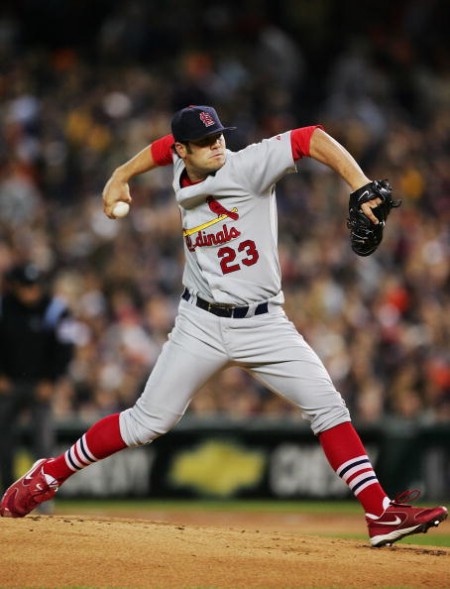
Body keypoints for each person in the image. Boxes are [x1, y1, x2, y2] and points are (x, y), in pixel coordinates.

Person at [1, 105, 447, 547]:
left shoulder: (248, 165)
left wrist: (361, 183)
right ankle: (50, 472)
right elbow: (161, 148)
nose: (217, 145)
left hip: (264, 323)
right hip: (199, 322)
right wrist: (121, 173)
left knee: (328, 407)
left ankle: (379, 512)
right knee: (145, 424)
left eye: (218, 136)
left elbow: (311, 137)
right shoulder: (179, 162)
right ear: (183, 152)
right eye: (203, 142)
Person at [0, 263, 75, 505]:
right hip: (8, 385)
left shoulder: (55, 309)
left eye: (33, 286)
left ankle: (41, 498)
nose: (30, 291)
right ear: (15, 286)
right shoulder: (4, 307)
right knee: (3, 440)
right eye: (25, 286)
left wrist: (52, 379)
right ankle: (5, 492)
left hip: (41, 385)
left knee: (43, 442)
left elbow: (66, 349)